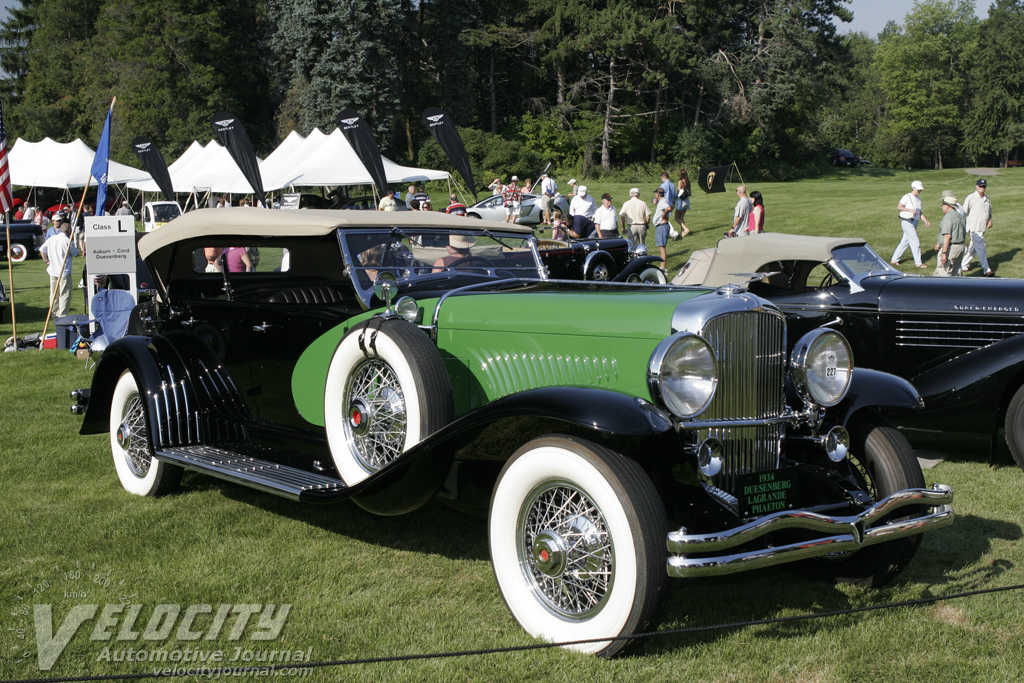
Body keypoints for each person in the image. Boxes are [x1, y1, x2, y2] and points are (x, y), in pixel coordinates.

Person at [39, 219, 79, 318]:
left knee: (54, 293)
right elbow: (75, 253)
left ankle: (53, 312)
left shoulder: (52, 238)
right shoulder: (67, 241)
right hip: (63, 271)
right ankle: (62, 314)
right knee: (64, 293)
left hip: (53, 270)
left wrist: (46, 261)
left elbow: (42, 250)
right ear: (69, 231)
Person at [891, 180, 930, 269]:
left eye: (920, 190)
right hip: (907, 221)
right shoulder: (907, 197)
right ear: (913, 188)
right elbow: (899, 207)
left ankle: (894, 260)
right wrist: (910, 210)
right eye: (918, 189)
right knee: (915, 241)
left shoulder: (918, 199)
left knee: (905, 241)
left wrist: (925, 220)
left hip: (915, 222)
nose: (919, 191)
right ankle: (918, 263)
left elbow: (919, 212)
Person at [960, 178, 994, 276]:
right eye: (980, 186)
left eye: (984, 186)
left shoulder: (987, 199)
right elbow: (963, 212)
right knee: (981, 247)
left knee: (973, 247)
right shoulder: (970, 198)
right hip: (974, 228)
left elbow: (989, 212)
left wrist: (990, 220)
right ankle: (986, 270)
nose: (982, 188)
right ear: (976, 186)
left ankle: (963, 264)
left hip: (982, 227)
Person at [936, 194, 966, 277]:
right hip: (961, 247)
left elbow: (947, 236)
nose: (942, 207)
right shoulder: (960, 216)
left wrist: (944, 253)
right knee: (956, 272)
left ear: (948, 206)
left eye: (943, 205)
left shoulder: (948, 217)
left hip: (951, 248)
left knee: (944, 272)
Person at [652, 187, 672, 266]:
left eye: (655, 194)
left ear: (658, 194)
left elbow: (669, 208)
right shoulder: (662, 201)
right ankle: (662, 266)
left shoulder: (663, 202)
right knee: (661, 247)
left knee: (661, 248)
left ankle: (663, 267)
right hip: (661, 226)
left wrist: (663, 215)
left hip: (662, 226)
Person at [673, 170, 691, 238]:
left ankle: (686, 229)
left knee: (676, 217)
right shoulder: (688, 182)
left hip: (681, 201)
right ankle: (683, 233)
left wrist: (674, 200)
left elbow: (678, 191)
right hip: (687, 201)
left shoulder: (680, 182)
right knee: (681, 217)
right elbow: (690, 193)